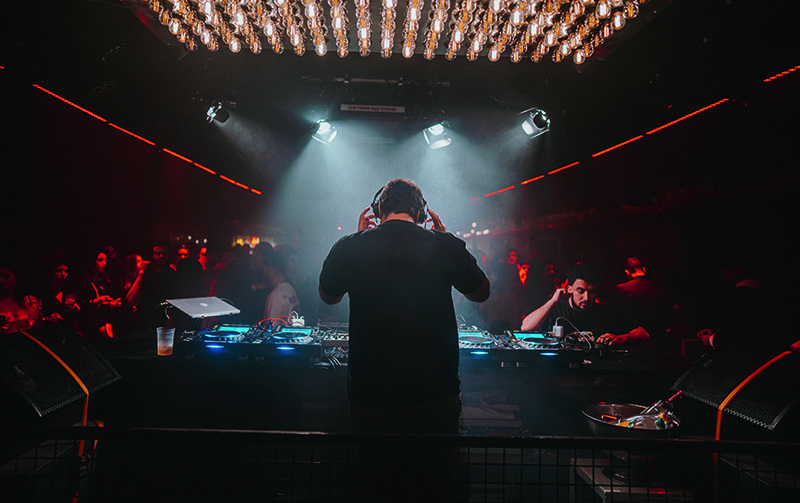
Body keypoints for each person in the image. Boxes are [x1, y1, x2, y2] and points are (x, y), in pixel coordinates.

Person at [318, 178, 490, 435]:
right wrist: (448, 242)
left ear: (378, 210)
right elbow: (481, 293)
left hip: (371, 394)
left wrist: (358, 239)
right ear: (421, 213)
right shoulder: (445, 245)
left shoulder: (349, 245)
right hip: (435, 393)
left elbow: (328, 296)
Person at [521, 262, 649, 346]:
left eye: (592, 292)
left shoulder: (604, 313)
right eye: (580, 291)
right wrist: (553, 301)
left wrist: (623, 338)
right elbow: (526, 328)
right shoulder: (556, 310)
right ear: (569, 289)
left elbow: (643, 333)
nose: (586, 298)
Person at [609, 257, 672, 342]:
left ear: (627, 272)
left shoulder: (622, 289)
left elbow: (613, 314)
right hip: (659, 339)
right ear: (644, 269)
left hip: (633, 339)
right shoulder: (661, 288)